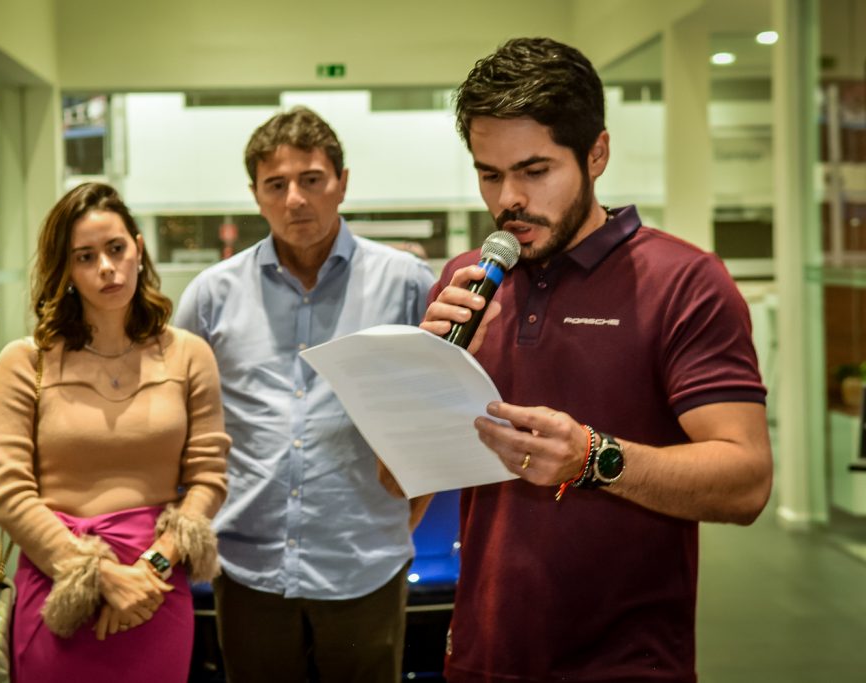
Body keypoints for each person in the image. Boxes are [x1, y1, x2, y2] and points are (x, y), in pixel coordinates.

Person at [420, 37, 773, 682]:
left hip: (625, 665)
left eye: (534, 170)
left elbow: (746, 481)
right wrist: (417, 381)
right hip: (480, 657)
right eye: (489, 174)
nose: (508, 200)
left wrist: (594, 458)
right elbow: (405, 484)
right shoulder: (466, 283)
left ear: (597, 154)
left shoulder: (684, 281)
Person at [174, 106, 436, 682]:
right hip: (248, 566)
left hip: (364, 562)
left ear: (342, 182)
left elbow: (439, 415)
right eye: (276, 184)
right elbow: (180, 421)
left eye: (312, 179)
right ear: (255, 195)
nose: (295, 199)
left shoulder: (407, 285)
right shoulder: (211, 297)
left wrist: (404, 511)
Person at [0, 182, 230, 682]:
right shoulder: (25, 362)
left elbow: (208, 478)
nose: (106, 267)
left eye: (116, 248)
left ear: (138, 248)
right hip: (61, 586)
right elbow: (9, 495)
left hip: (156, 587)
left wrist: (151, 569)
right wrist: (97, 575)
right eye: (85, 256)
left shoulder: (188, 355)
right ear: (66, 270)